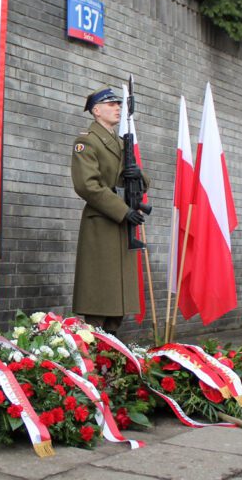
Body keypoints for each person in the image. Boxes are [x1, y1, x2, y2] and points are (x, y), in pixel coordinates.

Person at [70, 87, 147, 333]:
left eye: (118, 104)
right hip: (103, 222)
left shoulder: (121, 142)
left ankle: (112, 346)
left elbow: (139, 182)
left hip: (122, 224)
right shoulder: (87, 141)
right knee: (100, 292)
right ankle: (94, 346)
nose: (117, 108)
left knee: (118, 294)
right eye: (111, 104)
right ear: (96, 110)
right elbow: (87, 185)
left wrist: (138, 176)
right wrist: (122, 210)